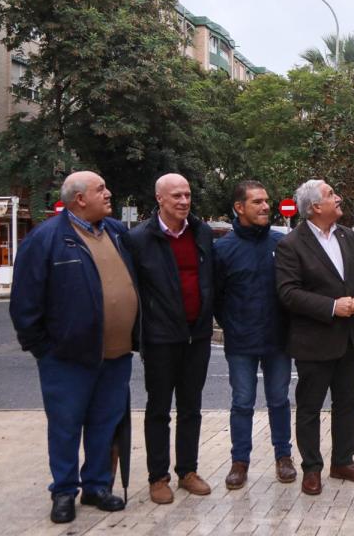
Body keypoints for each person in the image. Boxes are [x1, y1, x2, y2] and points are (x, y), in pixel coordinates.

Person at [10, 171, 136, 523]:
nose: (109, 193)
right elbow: (24, 303)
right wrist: (43, 349)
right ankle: (64, 491)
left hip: (116, 355)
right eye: (101, 189)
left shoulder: (116, 233)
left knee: (104, 422)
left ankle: (96, 486)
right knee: (66, 425)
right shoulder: (46, 239)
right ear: (80, 199)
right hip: (66, 358)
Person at [275, 179, 354, 496]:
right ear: (315, 207)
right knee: (309, 408)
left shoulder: (347, 236)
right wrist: (333, 307)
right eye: (332, 194)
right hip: (314, 341)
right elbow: (288, 293)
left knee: (346, 404)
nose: (339, 197)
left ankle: (343, 462)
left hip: (349, 340)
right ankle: (312, 468)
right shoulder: (291, 244)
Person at [129, 173, 214, 505]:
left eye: (188, 195)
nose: (183, 201)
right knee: (159, 409)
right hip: (161, 338)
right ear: (160, 199)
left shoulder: (201, 232)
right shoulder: (139, 239)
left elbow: (210, 278)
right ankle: (158, 477)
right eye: (176, 196)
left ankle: (188, 471)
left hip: (198, 335)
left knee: (191, 408)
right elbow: (134, 289)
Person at [213, 180, 296, 490]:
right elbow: (217, 298)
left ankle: (283, 457)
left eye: (266, 201)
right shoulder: (223, 249)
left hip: (278, 339)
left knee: (279, 400)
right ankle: (239, 461)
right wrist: (232, 325)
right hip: (241, 341)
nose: (265, 207)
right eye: (257, 202)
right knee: (242, 402)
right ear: (239, 207)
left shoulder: (281, 244)